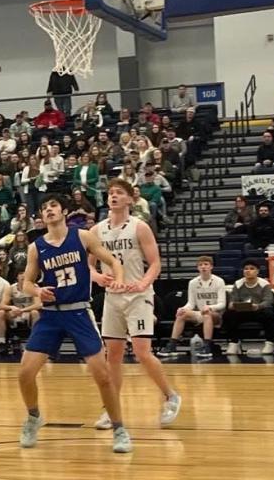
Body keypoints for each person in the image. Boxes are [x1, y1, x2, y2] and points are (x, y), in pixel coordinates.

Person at [17, 195, 132, 453]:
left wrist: (119, 279)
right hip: (49, 316)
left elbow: (113, 261)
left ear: (64, 211)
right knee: (25, 374)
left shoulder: (82, 237)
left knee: (102, 376)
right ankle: (34, 416)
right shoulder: (36, 247)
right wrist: (37, 292)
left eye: (53, 206)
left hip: (78, 312)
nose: (48, 210)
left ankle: (119, 429)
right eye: (44, 208)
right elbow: (25, 283)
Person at [91, 179, 181, 431]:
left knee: (142, 352)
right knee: (114, 355)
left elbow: (155, 263)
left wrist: (143, 284)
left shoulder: (139, 227)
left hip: (137, 295)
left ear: (130, 199)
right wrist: (97, 276)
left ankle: (170, 396)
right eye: (110, 193)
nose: (114, 196)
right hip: (112, 296)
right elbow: (87, 265)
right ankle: (111, 409)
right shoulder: (97, 230)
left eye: (119, 193)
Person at [159, 256, 225, 359]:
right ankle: (172, 345)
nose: (203, 267)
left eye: (206, 264)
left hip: (215, 314)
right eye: (200, 265)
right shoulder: (193, 282)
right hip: (199, 312)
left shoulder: (219, 281)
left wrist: (210, 307)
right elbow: (191, 303)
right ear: (198, 268)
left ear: (211, 267)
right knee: (181, 315)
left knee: (207, 314)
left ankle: (207, 347)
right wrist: (183, 308)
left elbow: (222, 304)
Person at [223, 259, 274, 355]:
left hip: (258, 310)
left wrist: (258, 306)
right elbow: (233, 299)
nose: (248, 271)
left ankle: (270, 342)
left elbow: (268, 301)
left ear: (257, 271)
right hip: (243, 311)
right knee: (228, 314)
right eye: (246, 269)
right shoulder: (238, 283)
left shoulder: (264, 284)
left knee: (269, 313)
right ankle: (234, 342)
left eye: (251, 269)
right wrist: (232, 304)